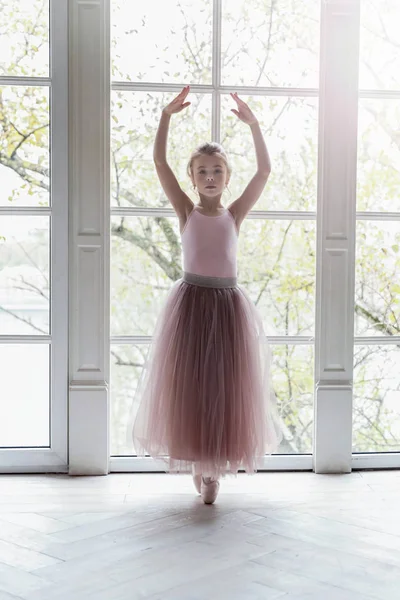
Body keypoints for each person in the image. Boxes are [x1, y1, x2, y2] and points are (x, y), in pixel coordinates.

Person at [130, 86, 282, 504]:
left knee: (223, 386)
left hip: (227, 306)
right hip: (192, 305)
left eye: (218, 171)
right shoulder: (186, 211)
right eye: (203, 172)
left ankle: (215, 466)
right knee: (192, 386)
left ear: (227, 178)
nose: (211, 178)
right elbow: (159, 161)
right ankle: (198, 461)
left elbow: (265, 172)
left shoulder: (234, 214)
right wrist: (164, 117)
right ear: (193, 178)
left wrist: (254, 125)